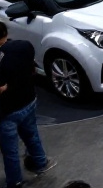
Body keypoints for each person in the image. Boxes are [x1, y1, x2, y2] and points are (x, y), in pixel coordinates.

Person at [0, 20, 55, 187]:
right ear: (5, 33)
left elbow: (1, 88)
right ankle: (40, 163)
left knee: (10, 151)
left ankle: (15, 182)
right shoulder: (23, 46)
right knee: (31, 134)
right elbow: (31, 68)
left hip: (7, 112)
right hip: (29, 101)